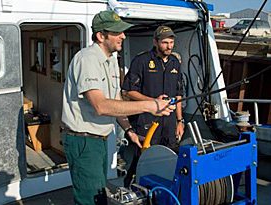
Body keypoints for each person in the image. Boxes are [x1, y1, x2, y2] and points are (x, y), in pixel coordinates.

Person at [61, 11, 175, 205]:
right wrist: (151, 105)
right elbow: (101, 106)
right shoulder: (87, 59)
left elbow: (116, 102)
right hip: (83, 140)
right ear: (100, 36)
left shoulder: (112, 60)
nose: (123, 36)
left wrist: (129, 131)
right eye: (117, 32)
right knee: (91, 199)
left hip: (99, 140)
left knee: (98, 192)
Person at [121, 25, 184, 187]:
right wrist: (152, 103)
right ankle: (131, 188)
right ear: (155, 42)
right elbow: (128, 91)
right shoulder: (141, 61)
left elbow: (178, 94)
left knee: (170, 158)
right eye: (165, 43)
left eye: (171, 42)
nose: (169, 46)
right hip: (147, 121)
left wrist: (180, 121)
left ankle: (163, 192)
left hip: (169, 124)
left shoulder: (175, 62)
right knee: (143, 159)